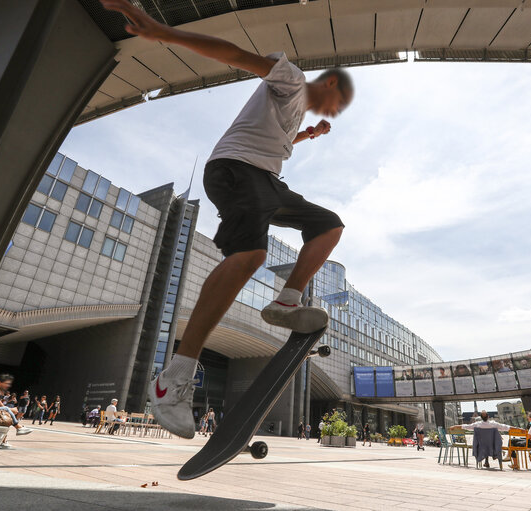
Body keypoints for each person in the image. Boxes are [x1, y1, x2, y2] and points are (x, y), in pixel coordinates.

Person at [101, 0, 353, 440]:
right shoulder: (291, 79)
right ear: (328, 83)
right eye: (337, 101)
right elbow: (235, 55)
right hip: (236, 169)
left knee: (329, 225)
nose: (332, 111)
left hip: (266, 181)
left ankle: (286, 302)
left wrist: (306, 135)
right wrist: (165, 33)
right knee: (250, 255)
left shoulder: (293, 112)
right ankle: (172, 379)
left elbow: (276, 136)